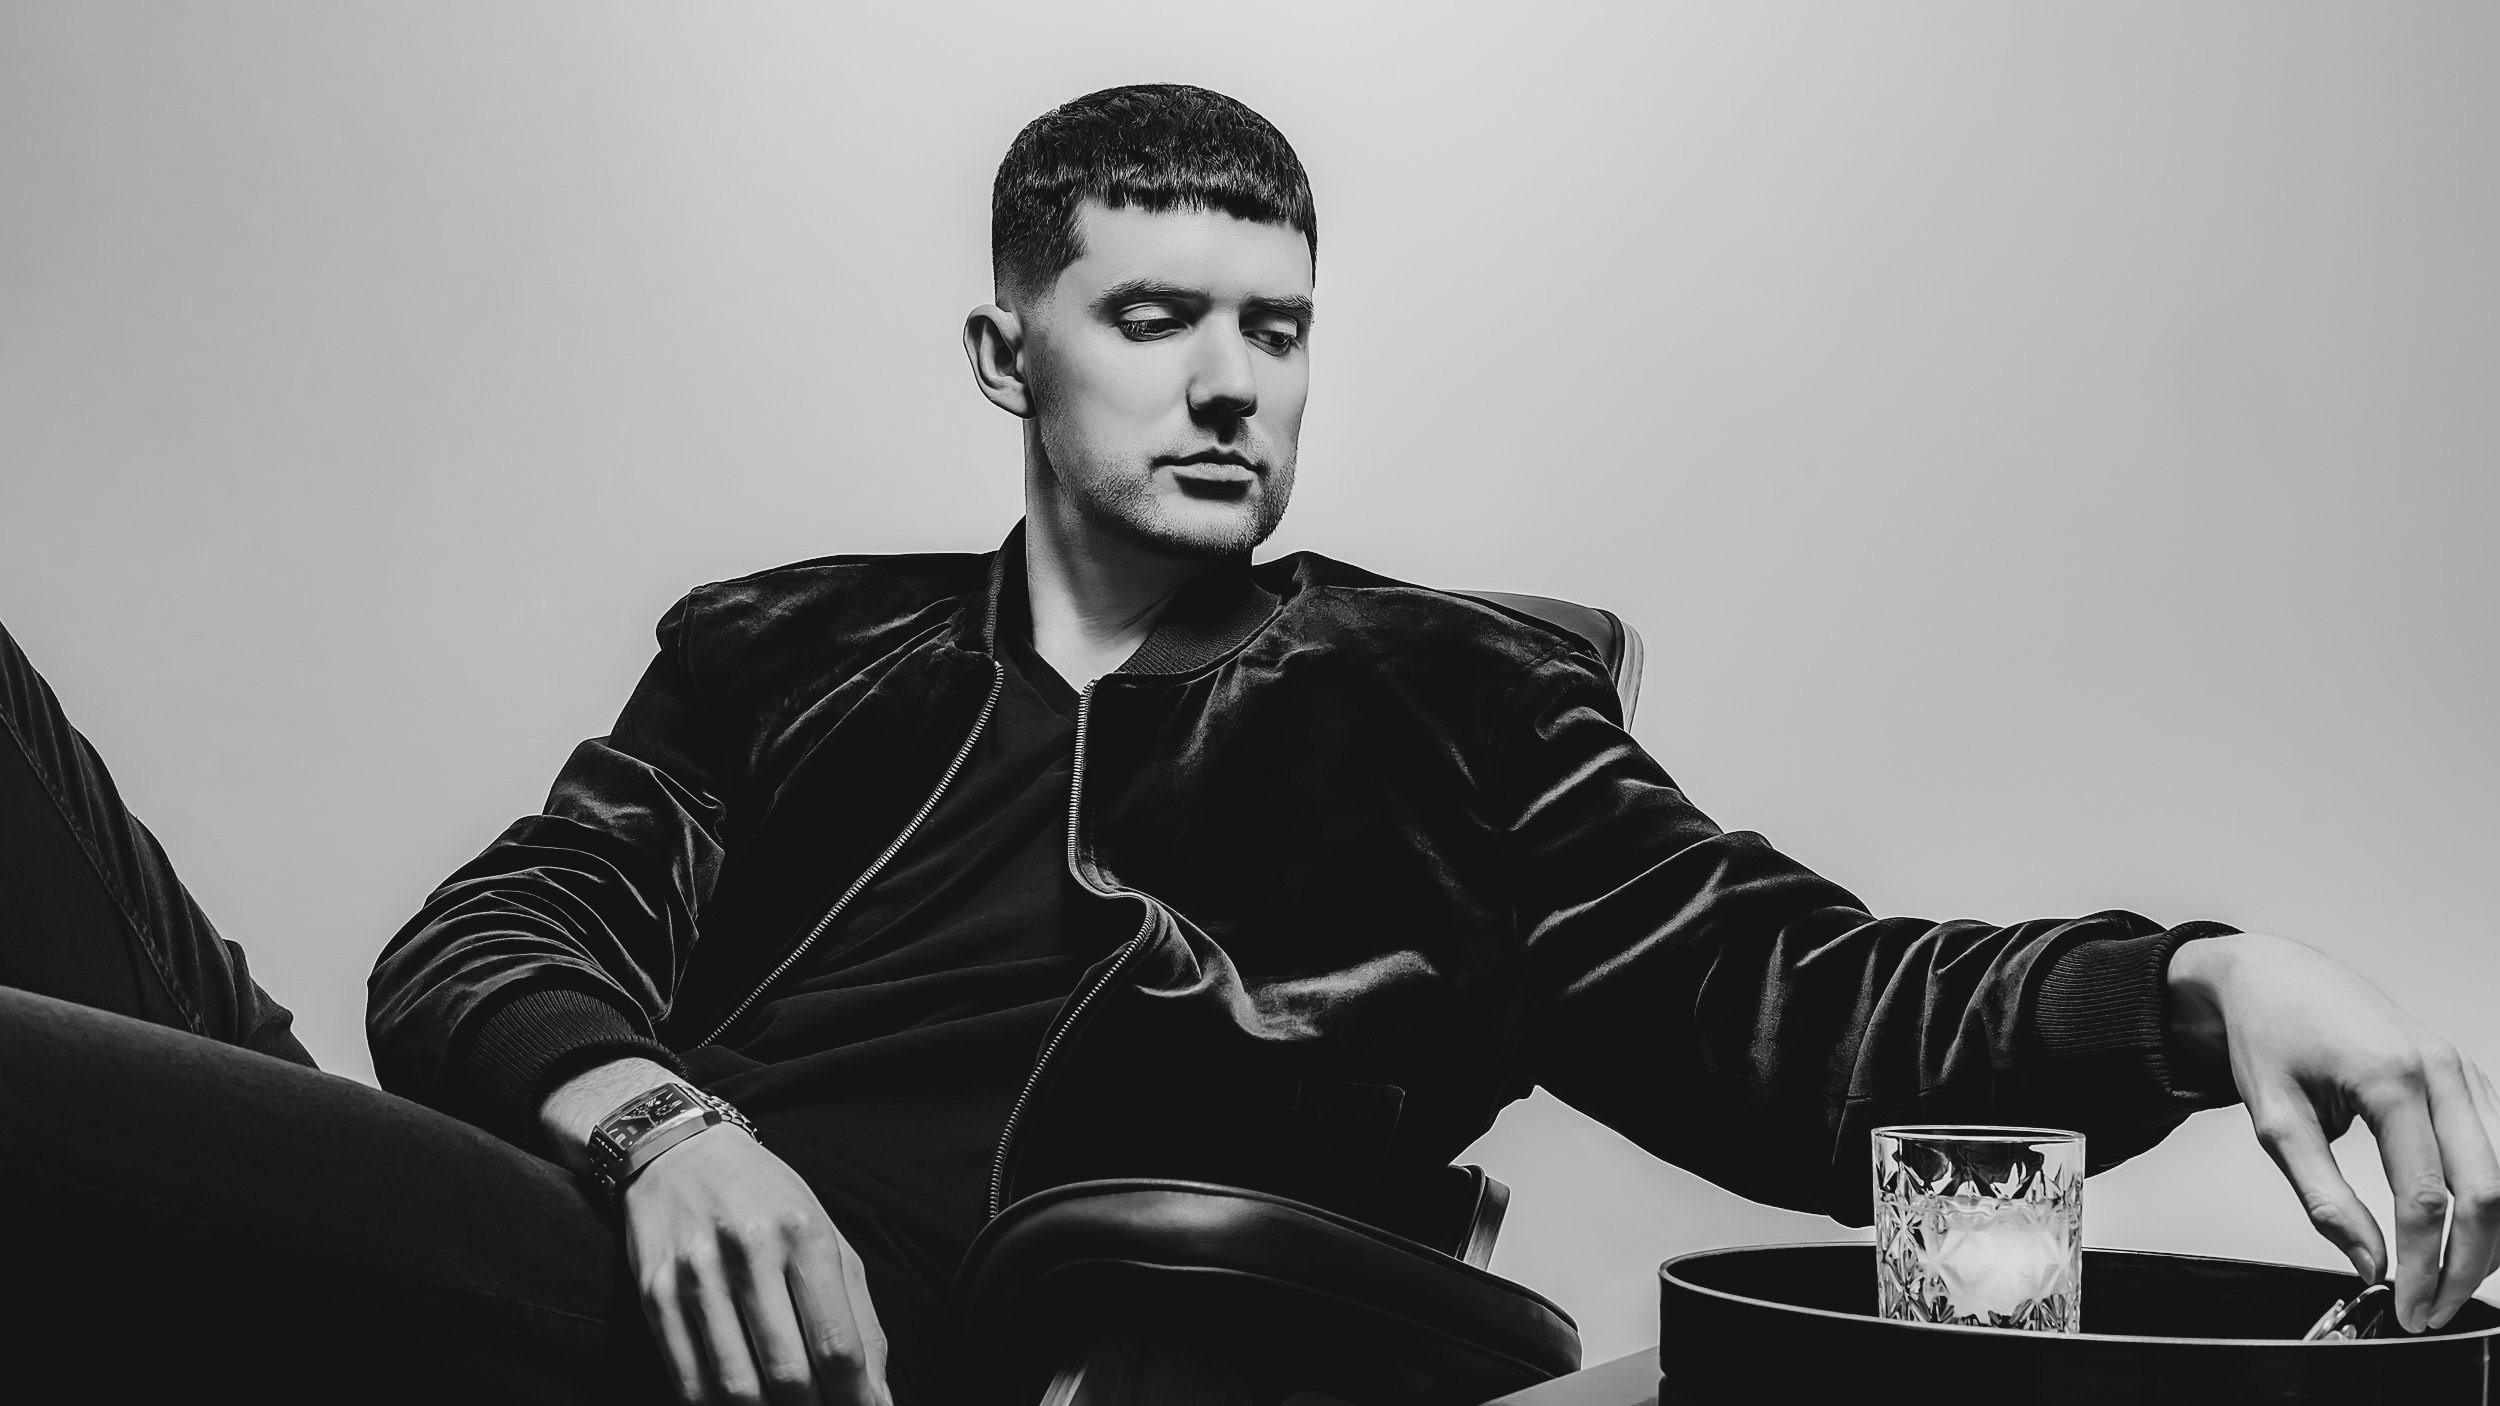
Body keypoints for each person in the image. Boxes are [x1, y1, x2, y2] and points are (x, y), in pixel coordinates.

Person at [2, 82, 2493, 1406]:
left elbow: (1799, 1003)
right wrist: (668, 1129)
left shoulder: (1439, 701)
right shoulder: (779, 647)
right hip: (577, 1224)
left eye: (1274, 329)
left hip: (794, 1359)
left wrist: (2199, 983)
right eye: (1154, 317)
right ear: (1004, 355)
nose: (1226, 381)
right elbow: (486, 940)